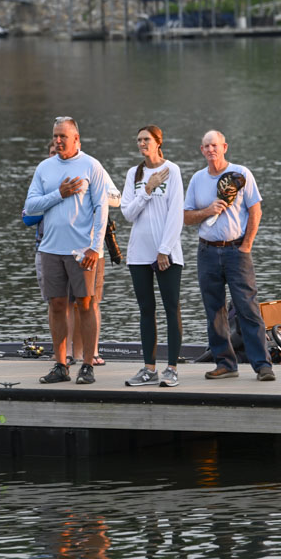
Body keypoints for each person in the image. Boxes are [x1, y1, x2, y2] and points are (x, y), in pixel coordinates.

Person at [24, 116, 113, 385]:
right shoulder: (45, 167)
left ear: (76, 139)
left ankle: (87, 365)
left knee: (85, 304)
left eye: (63, 136)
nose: (58, 140)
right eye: (55, 136)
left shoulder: (91, 166)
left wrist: (95, 248)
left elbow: (101, 208)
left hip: (82, 251)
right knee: (57, 305)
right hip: (50, 249)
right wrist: (58, 194)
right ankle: (61, 365)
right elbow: (30, 207)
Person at [183, 130, 275, 381]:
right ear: (201, 150)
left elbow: (256, 211)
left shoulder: (241, 173)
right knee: (214, 310)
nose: (211, 150)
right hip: (207, 251)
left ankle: (262, 365)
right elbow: (186, 217)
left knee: (247, 308)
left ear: (225, 147)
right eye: (206, 146)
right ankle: (225, 363)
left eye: (215, 145)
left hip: (237, 251)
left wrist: (247, 245)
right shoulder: (197, 179)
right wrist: (207, 211)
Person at [120, 125, 185, 388]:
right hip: (139, 254)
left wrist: (164, 250)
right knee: (146, 310)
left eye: (146, 139)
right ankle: (149, 369)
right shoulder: (133, 174)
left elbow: (176, 214)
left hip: (167, 255)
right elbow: (127, 213)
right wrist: (147, 189)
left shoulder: (173, 171)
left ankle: (172, 369)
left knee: (171, 308)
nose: (142, 143)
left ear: (159, 142)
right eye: (139, 140)